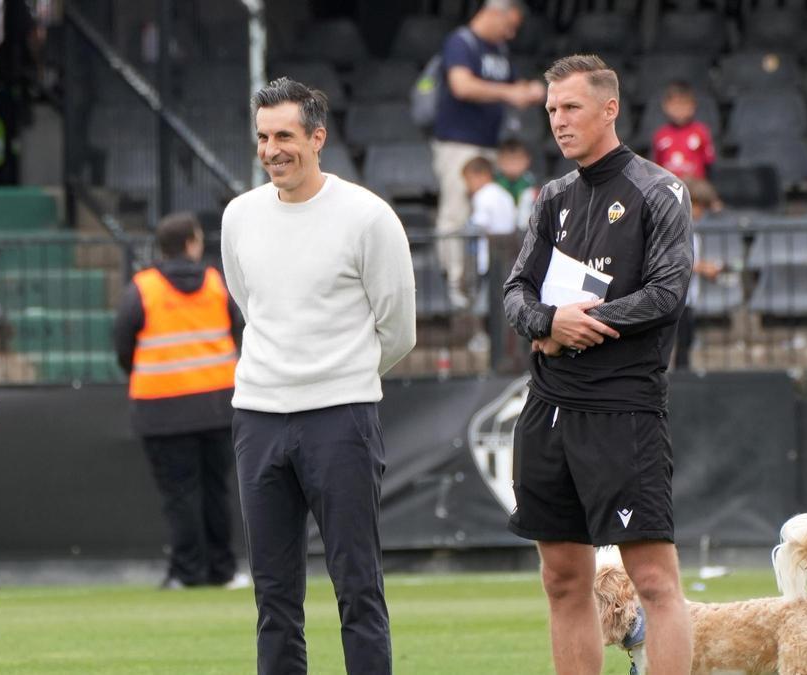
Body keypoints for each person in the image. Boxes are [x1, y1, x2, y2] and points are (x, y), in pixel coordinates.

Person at [503, 55, 694, 674]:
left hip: (622, 408)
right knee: (562, 578)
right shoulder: (552, 197)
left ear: (609, 109)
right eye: (552, 110)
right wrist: (547, 323)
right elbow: (515, 292)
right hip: (548, 409)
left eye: (571, 108)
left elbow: (668, 293)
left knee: (654, 581)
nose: (559, 121)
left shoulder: (659, 190)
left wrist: (587, 320)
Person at [220, 77, 416, 675]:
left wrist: (342, 376)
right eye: (262, 137)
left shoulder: (368, 217)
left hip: (341, 419)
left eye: (284, 135)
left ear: (317, 138)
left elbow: (399, 329)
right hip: (257, 418)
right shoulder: (239, 216)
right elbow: (251, 304)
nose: (272, 149)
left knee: (358, 586)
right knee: (273, 594)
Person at [112, 211, 247, 590]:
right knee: (216, 491)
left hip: (161, 409)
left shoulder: (143, 288)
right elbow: (238, 332)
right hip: (218, 405)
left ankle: (188, 573)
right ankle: (223, 570)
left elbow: (123, 344)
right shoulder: (216, 283)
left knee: (180, 495)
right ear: (191, 243)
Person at [433, 0, 544, 308]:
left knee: (496, 217)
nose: (511, 33)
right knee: (457, 214)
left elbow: (509, 86)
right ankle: (458, 292)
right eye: (510, 25)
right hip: (459, 144)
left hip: (491, 144)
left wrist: (528, 90)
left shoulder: (499, 51)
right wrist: (512, 93)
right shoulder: (461, 42)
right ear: (495, 11)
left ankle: (495, 290)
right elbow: (462, 85)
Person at [674, 178, 726, 370]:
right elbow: (676, 260)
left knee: (686, 342)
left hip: (688, 298)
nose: (701, 213)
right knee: (680, 343)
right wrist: (704, 268)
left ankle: (682, 374)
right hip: (677, 299)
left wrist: (705, 267)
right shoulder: (676, 227)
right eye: (699, 207)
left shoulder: (693, 230)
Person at [463, 155, 517, 278]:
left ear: (482, 175)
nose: (467, 186)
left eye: (468, 179)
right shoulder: (505, 194)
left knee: (488, 295)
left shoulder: (482, 195)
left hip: (489, 257)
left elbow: (478, 226)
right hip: (509, 256)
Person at [651, 80, 716, 180]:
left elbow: (709, 162)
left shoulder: (701, 131)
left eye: (684, 104)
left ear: (693, 106)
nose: (679, 110)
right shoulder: (660, 134)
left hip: (695, 184)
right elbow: (656, 165)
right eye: (675, 105)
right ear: (665, 106)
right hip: (668, 185)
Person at [494, 137, 539, 230]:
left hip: (523, 229)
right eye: (508, 161)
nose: (513, 165)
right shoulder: (494, 183)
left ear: (527, 160)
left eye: (517, 160)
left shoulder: (530, 183)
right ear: (499, 161)